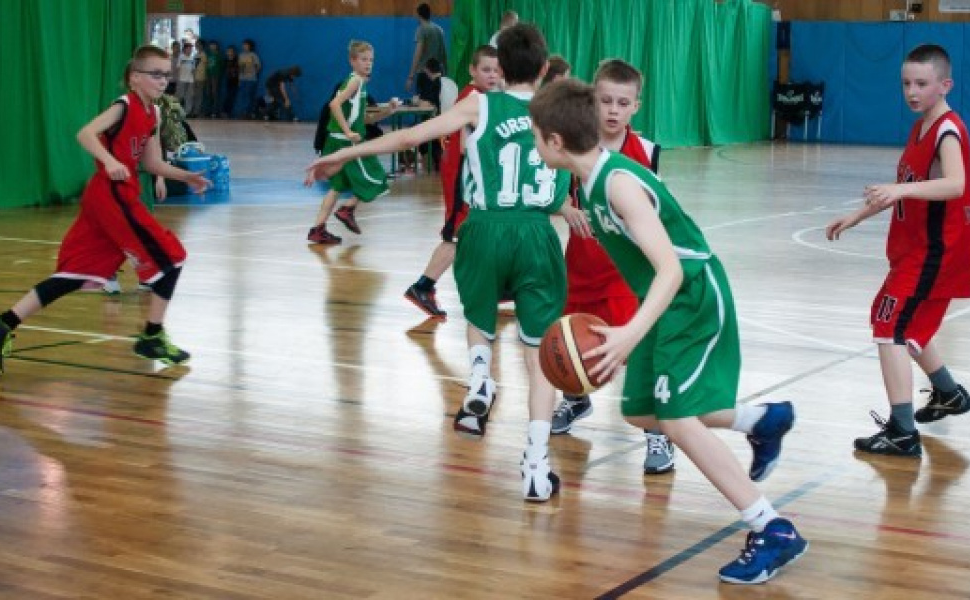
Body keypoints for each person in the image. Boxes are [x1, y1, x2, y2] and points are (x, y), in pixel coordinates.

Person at [528, 78, 805, 584]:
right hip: (663, 302)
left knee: (677, 422)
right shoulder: (587, 182)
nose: (534, 144)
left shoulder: (615, 184)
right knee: (641, 412)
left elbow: (672, 269)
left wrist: (631, 332)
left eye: (534, 135)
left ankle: (772, 527)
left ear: (555, 141)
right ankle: (761, 419)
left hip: (693, 295)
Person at [307, 25, 583, 503]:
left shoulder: (480, 104)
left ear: (501, 68)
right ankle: (536, 467)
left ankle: (479, 377)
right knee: (539, 354)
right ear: (543, 69)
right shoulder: (554, 111)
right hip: (538, 231)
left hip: (483, 228)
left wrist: (345, 152)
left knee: (479, 320)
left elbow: (410, 137)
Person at [0, 45, 210, 376]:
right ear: (135, 78)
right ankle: (152, 336)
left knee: (77, 273)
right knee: (171, 258)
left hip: (111, 197)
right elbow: (85, 133)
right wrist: (110, 160)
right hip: (113, 197)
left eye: (166, 75)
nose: (163, 81)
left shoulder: (153, 114)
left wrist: (185, 176)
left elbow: (152, 161)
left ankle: (0, 325)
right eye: (156, 74)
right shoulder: (124, 106)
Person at [825, 43, 970, 457]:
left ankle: (902, 431)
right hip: (914, 250)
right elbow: (905, 190)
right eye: (906, 83)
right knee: (906, 325)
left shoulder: (947, 129)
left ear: (945, 85)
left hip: (935, 252)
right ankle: (949, 394)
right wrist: (857, 216)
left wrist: (900, 189)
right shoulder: (921, 126)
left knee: (889, 326)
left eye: (921, 83)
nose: (912, 91)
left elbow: (956, 184)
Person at [549, 59, 685, 478]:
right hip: (581, 264)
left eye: (621, 103)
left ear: (635, 107)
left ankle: (657, 432)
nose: (612, 110)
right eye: (605, 100)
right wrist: (565, 206)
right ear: (592, 101)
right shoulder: (572, 144)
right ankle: (576, 397)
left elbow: (655, 211)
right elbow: (547, 193)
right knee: (573, 342)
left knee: (638, 350)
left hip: (627, 270)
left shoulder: (647, 152)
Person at [403, 45, 500, 319]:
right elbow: (464, 148)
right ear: (472, 70)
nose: (492, 75)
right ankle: (423, 286)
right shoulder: (472, 98)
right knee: (457, 234)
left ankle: (496, 287)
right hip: (463, 178)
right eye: (486, 70)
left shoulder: (482, 97)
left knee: (478, 233)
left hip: (469, 177)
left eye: (496, 70)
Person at [306, 41, 391, 245]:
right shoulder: (355, 82)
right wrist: (348, 132)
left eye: (371, 60)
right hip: (346, 142)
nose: (368, 63)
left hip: (337, 140)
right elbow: (333, 104)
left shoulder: (359, 83)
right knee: (378, 178)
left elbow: (362, 120)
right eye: (363, 59)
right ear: (352, 61)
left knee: (337, 186)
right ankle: (347, 209)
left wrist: (389, 110)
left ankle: (317, 229)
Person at [406, 3, 447, 94]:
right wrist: (445, 74)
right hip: (438, 74)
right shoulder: (439, 30)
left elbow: (418, 53)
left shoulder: (421, 29)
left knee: (423, 103)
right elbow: (444, 53)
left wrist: (411, 76)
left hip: (425, 73)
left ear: (418, 14)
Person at [235, 39, 261, 118]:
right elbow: (239, 68)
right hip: (242, 79)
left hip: (251, 79)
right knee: (242, 95)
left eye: (246, 45)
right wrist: (239, 79)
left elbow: (258, 66)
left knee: (249, 96)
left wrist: (254, 73)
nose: (244, 47)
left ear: (250, 46)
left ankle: (247, 112)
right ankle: (242, 111)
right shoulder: (240, 55)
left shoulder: (253, 55)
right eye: (243, 45)